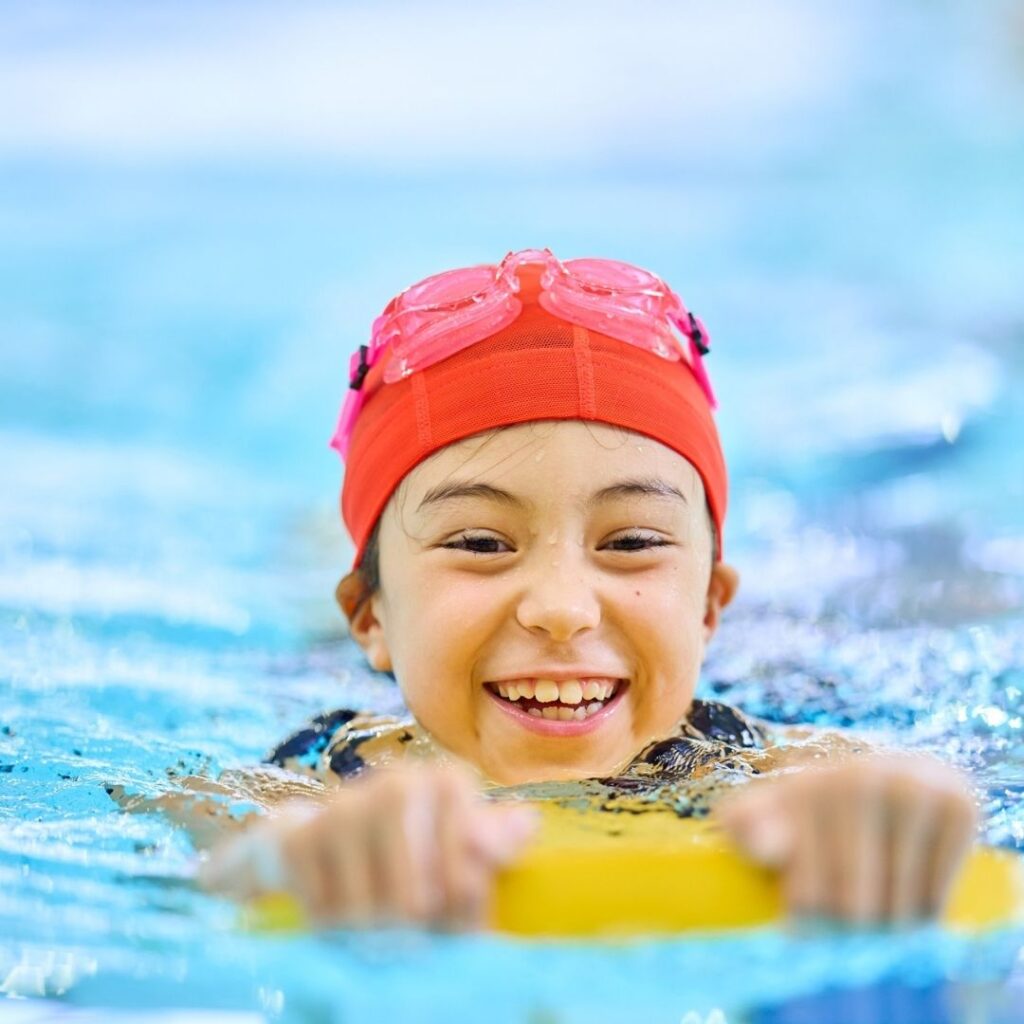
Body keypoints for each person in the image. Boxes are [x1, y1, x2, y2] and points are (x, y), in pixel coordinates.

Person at [196, 249, 977, 930]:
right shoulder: (318, 779)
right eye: (479, 543)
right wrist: (284, 862)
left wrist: (900, 807)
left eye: (632, 542)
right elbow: (204, 850)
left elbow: (897, 784)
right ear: (369, 618)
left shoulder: (770, 776)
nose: (563, 609)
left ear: (709, 609)